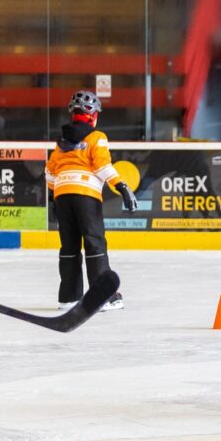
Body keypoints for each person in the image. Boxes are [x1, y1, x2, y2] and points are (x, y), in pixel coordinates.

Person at [45, 90, 133, 312]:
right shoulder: (97, 137)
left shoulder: (61, 142)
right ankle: (102, 297)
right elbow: (102, 166)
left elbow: (49, 173)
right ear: (93, 115)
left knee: (69, 246)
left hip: (62, 195)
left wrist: (55, 196)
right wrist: (122, 186)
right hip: (85, 194)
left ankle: (68, 298)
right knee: (94, 242)